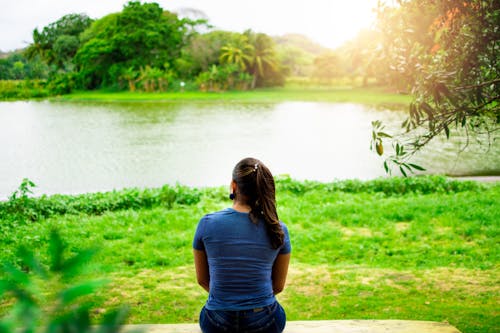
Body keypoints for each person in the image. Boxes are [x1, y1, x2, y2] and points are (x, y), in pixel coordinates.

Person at [193, 157, 291, 333]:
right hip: (265, 320)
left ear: (233, 186)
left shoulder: (207, 223)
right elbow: (278, 287)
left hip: (217, 320)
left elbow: (202, 280)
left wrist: (228, 301)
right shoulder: (278, 228)